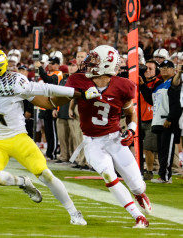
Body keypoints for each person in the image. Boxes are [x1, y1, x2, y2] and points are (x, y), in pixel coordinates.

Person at [0, 47, 86, 225]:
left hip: (18, 139)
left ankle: (74, 212)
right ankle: (23, 182)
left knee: (46, 175)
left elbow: (45, 88)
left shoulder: (12, 83)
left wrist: (78, 94)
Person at [48, 45, 152, 228]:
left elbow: (130, 114)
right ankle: (138, 216)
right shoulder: (77, 79)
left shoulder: (123, 85)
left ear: (106, 64)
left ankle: (138, 193)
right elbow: (57, 100)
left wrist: (132, 130)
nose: (88, 62)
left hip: (114, 140)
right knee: (108, 175)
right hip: (92, 142)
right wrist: (78, 94)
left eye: (94, 60)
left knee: (138, 185)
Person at [140, 60, 181, 184]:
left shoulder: (173, 82)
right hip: (158, 121)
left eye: (167, 67)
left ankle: (166, 177)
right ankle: (162, 175)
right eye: (162, 67)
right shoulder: (160, 85)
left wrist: (170, 119)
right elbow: (152, 100)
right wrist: (142, 85)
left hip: (167, 121)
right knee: (162, 150)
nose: (164, 69)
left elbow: (177, 104)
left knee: (167, 151)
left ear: (173, 70)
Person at [140, 60, 160, 180]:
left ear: (156, 71)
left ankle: (149, 171)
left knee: (148, 148)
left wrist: (142, 85)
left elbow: (151, 98)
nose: (147, 70)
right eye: (145, 68)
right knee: (139, 147)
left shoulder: (159, 83)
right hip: (139, 118)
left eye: (150, 69)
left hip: (152, 118)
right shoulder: (138, 82)